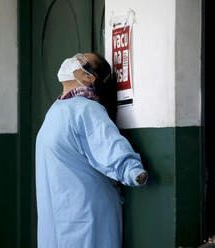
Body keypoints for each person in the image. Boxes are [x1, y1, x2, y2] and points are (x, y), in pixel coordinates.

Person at [35, 52, 148, 248]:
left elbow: (109, 145)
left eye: (80, 60)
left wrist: (132, 170)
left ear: (88, 78)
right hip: (58, 213)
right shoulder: (57, 108)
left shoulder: (87, 109)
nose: (71, 59)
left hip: (86, 216)